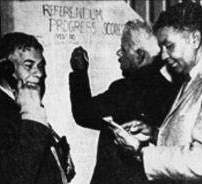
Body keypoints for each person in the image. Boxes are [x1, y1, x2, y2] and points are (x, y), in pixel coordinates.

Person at [114, 2, 202, 184]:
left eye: (169, 45)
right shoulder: (194, 77)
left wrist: (142, 152)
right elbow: (192, 135)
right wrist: (156, 134)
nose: (163, 56)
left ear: (194, 39)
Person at [69, 19, 182, 184]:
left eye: (123, 50)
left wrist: (79, 73)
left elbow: (83, 113)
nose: (119, 57)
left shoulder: (126, 88)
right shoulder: (173, 88)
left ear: (140, 55)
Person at [0, 32, 75, 184]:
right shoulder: (2, 111)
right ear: (5, 68)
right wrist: (31, 113)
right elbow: (16, 175)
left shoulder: (24, 104)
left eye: (40, 66)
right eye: (29, 66)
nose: (39, 73)